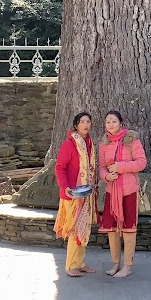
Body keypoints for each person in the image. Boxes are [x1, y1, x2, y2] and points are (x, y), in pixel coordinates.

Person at [99, 110, 147, 277]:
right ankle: (115, 263)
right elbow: (102, 167)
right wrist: (106, 176)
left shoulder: (131, 140)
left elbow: (142, 163)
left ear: (121, 123)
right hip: (112, 191)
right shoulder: (104, 143)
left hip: (129, 191)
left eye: (114, 121)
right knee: (112, 230)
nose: (111, 124)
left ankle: (127, 266)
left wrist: (121, 167)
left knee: (128, 228)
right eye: (108, 122)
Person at [54, 111, 97, 277]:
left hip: (86, 193)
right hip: (72, 194)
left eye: (88, 122)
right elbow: (60, 168)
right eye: (82, 122)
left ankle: (80, 263)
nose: (86, 125)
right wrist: (65, 187)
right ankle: (70, 265)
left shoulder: (89, 144)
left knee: (83, 228)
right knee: (74, 229)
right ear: (76, 125)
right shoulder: (69, 144)